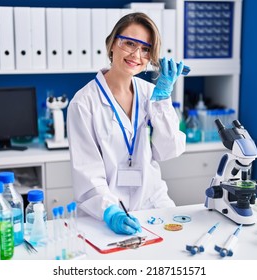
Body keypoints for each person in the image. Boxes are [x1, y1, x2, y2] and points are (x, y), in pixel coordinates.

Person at [67, 12, 186, 235]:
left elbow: (169, 150)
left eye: (145, 49)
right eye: (129, 43)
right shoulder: (83, 103)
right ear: (112, 43)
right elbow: (87, 174)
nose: (136, 55)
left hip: (154, 204)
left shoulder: (153, 94)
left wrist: (162, 101)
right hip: (105, 214)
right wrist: (111, 212)